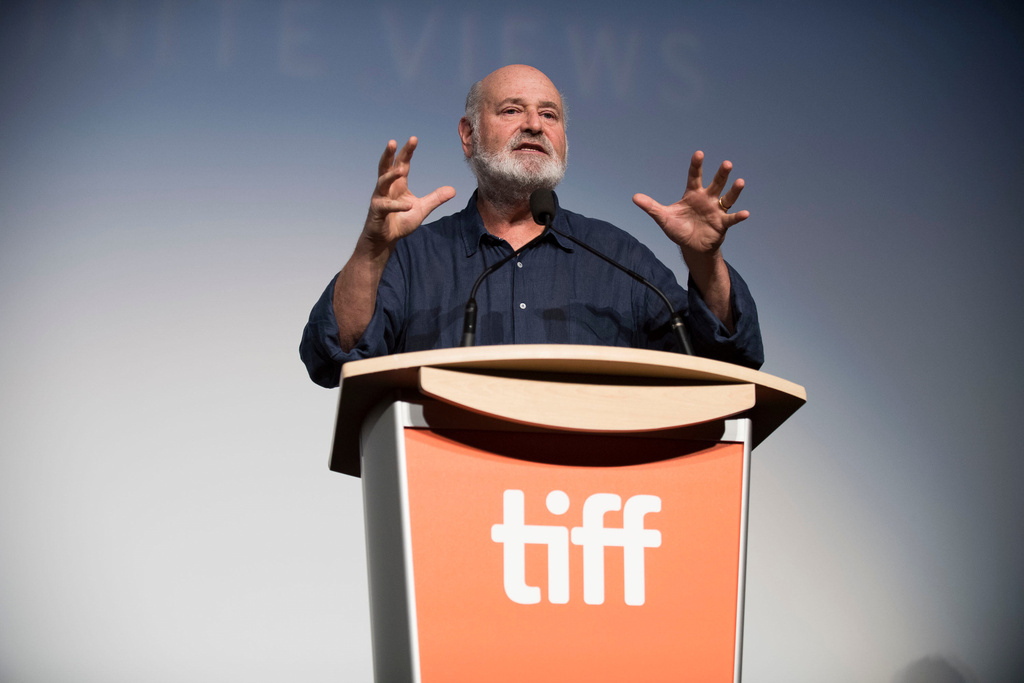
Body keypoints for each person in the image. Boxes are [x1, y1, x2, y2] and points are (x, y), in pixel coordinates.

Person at [300, 65, 763, 388]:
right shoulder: (414, 257)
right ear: (468, 135)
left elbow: (726, 363)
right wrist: (371, 252)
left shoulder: (617, 257)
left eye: (549, 115)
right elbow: (333, 356)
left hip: (588, 496)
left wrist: (705, 261)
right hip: (448, 488)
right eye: (511, 111)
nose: (534, 126)